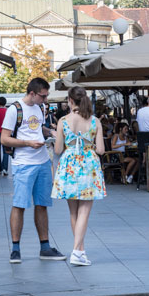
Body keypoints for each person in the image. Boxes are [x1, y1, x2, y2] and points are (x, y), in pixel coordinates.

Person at [1, 77, 65, 264]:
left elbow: (36, 128)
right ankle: (15, 249)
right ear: (32, 93)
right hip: (23, 163)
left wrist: (49, 132)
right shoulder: (14, 109)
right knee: (20, 204)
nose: (45, 101)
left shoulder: (40, 108)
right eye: (43, 96)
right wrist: (27, 143)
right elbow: (4, 139)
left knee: (42, 204)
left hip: (43, 161)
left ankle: (44, 247)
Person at [52, 86, 106, 266]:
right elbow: (101, 150)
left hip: (68, 165)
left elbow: (58, 150)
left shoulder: (63, 121)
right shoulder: (95, 121)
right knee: (85, 211)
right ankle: (77, 251)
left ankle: (80, 251)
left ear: (70, 100)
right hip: (88, 164)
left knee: (74, 212)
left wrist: (57, 136)